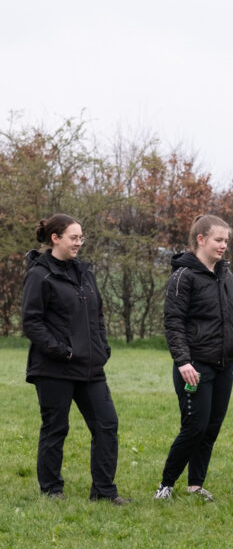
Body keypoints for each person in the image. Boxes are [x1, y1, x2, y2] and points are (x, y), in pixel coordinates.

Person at [21, 214, 128, 504]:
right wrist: (62, 350)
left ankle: (104, 492)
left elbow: (98, 314)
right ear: (55, 239)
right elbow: (32, 322)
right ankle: (52, 490)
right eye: (74, 237)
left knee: (107, 425)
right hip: (54, 368)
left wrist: (102, 348)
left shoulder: (85, 273)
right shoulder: (39, 275)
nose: (79, 243)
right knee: (56, 428)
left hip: (91, 367)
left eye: (81, 237)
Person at [155, 215, 233, 502]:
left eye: (226, 241)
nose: (223, 246)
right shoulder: (183, 277)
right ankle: (166, 485)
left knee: (210, 428)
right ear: (201, 239)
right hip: (194, 366)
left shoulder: (226, 275)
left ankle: (195, 485)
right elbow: (173, 323)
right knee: (194, 427)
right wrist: (183, 362)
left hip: (224, 364)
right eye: (219, 240)